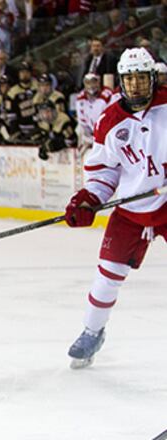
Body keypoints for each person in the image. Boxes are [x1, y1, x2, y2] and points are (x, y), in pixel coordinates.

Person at [63, 47, 167, 369]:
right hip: (132, 210)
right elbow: (104, 172)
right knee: (108, 273)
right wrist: (88, 200)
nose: (136, 86)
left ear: (153, 78)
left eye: (142, 78)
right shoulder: (109, 121)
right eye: (129, 79)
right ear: (121, 81)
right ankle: (92, 332)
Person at [75, 73, 113, 150]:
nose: (91, 85)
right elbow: (82, 122)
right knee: (78, 129)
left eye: (93, 82)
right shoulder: (80, 99)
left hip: (107, 133)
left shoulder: (108, 95)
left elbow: (111, 119)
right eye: (88, 82)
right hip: (90, 134)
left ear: (98, 82)